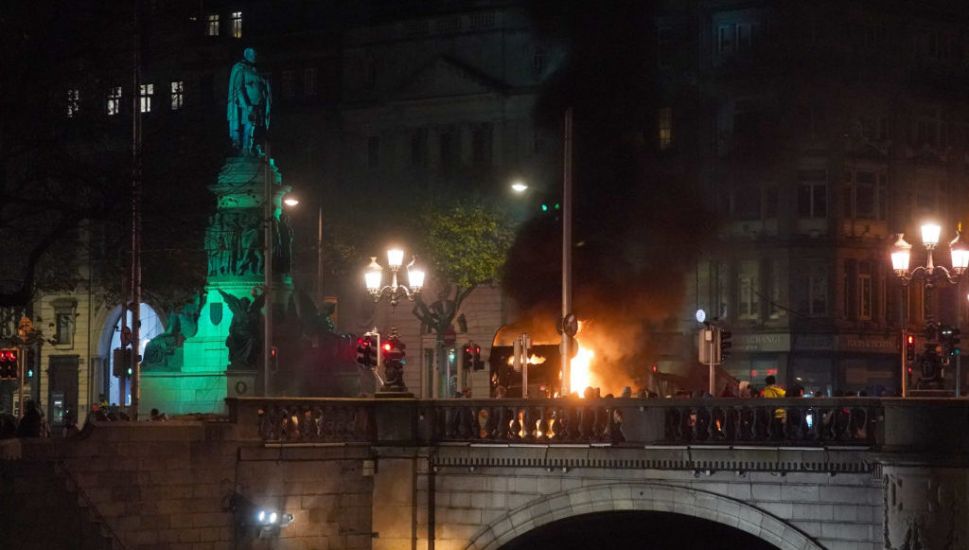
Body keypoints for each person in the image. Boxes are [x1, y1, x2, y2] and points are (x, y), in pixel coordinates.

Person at [227, 47, 272, 156]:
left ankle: (254, 147)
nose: (255, 57)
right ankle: (246, 149)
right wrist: (246, 105)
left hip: (258, 105)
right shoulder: (240, 68)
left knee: (256, 128)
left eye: (255, 55)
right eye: (253, 55)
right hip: (247, 106)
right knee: (248, 127)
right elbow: (238, 89)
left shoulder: (254, 70)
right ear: (246, 55)